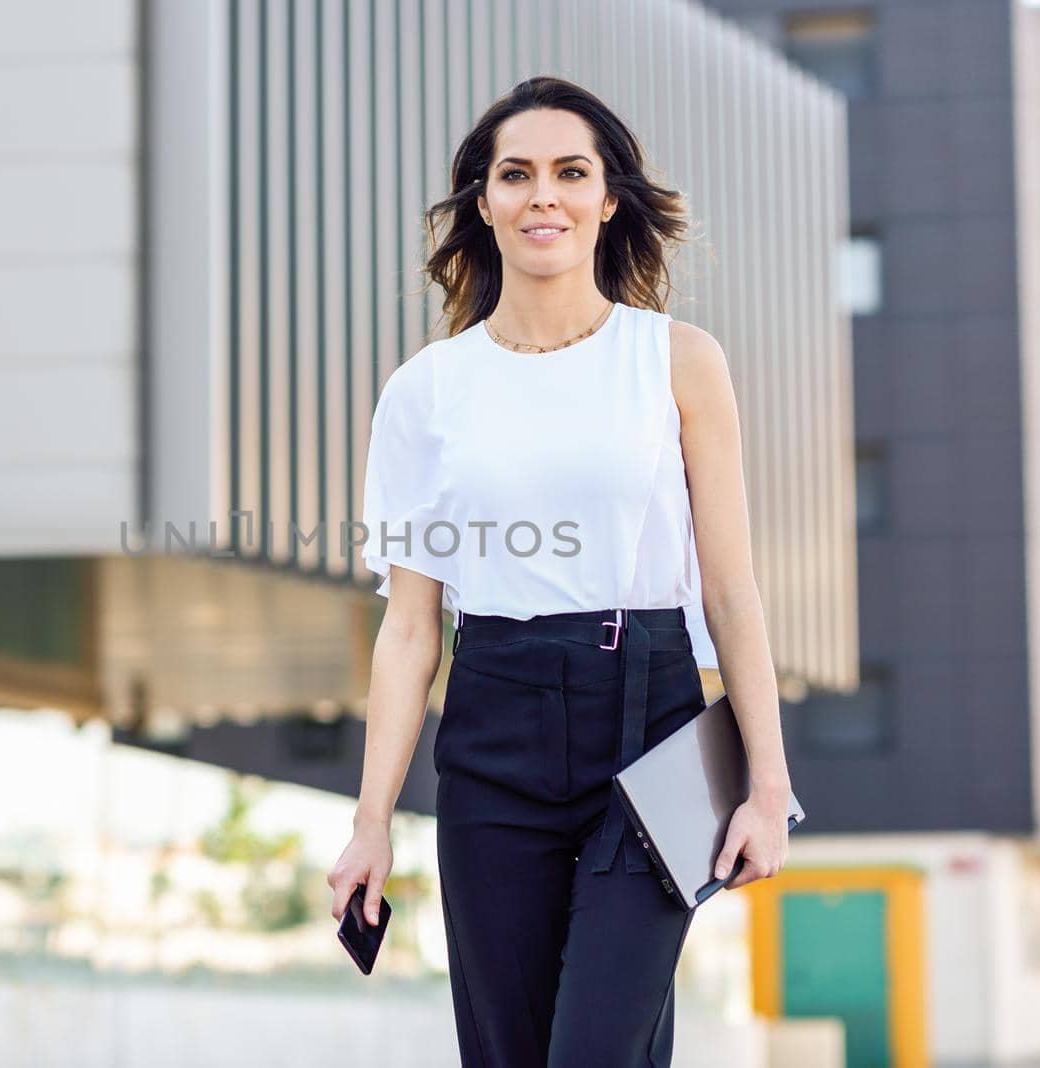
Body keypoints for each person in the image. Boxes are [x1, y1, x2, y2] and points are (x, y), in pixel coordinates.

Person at [326, 76, 793, 1067]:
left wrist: (765, 779)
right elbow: (411, 628)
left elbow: (727, 590)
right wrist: (371, 823)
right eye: (517, 174)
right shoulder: (426, 392)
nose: (544, 195)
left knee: (595, 1050)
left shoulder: (675, 360)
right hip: (492, 735)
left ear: (607, 197)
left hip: (649, 727)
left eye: (569, 172)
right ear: (484, 202)